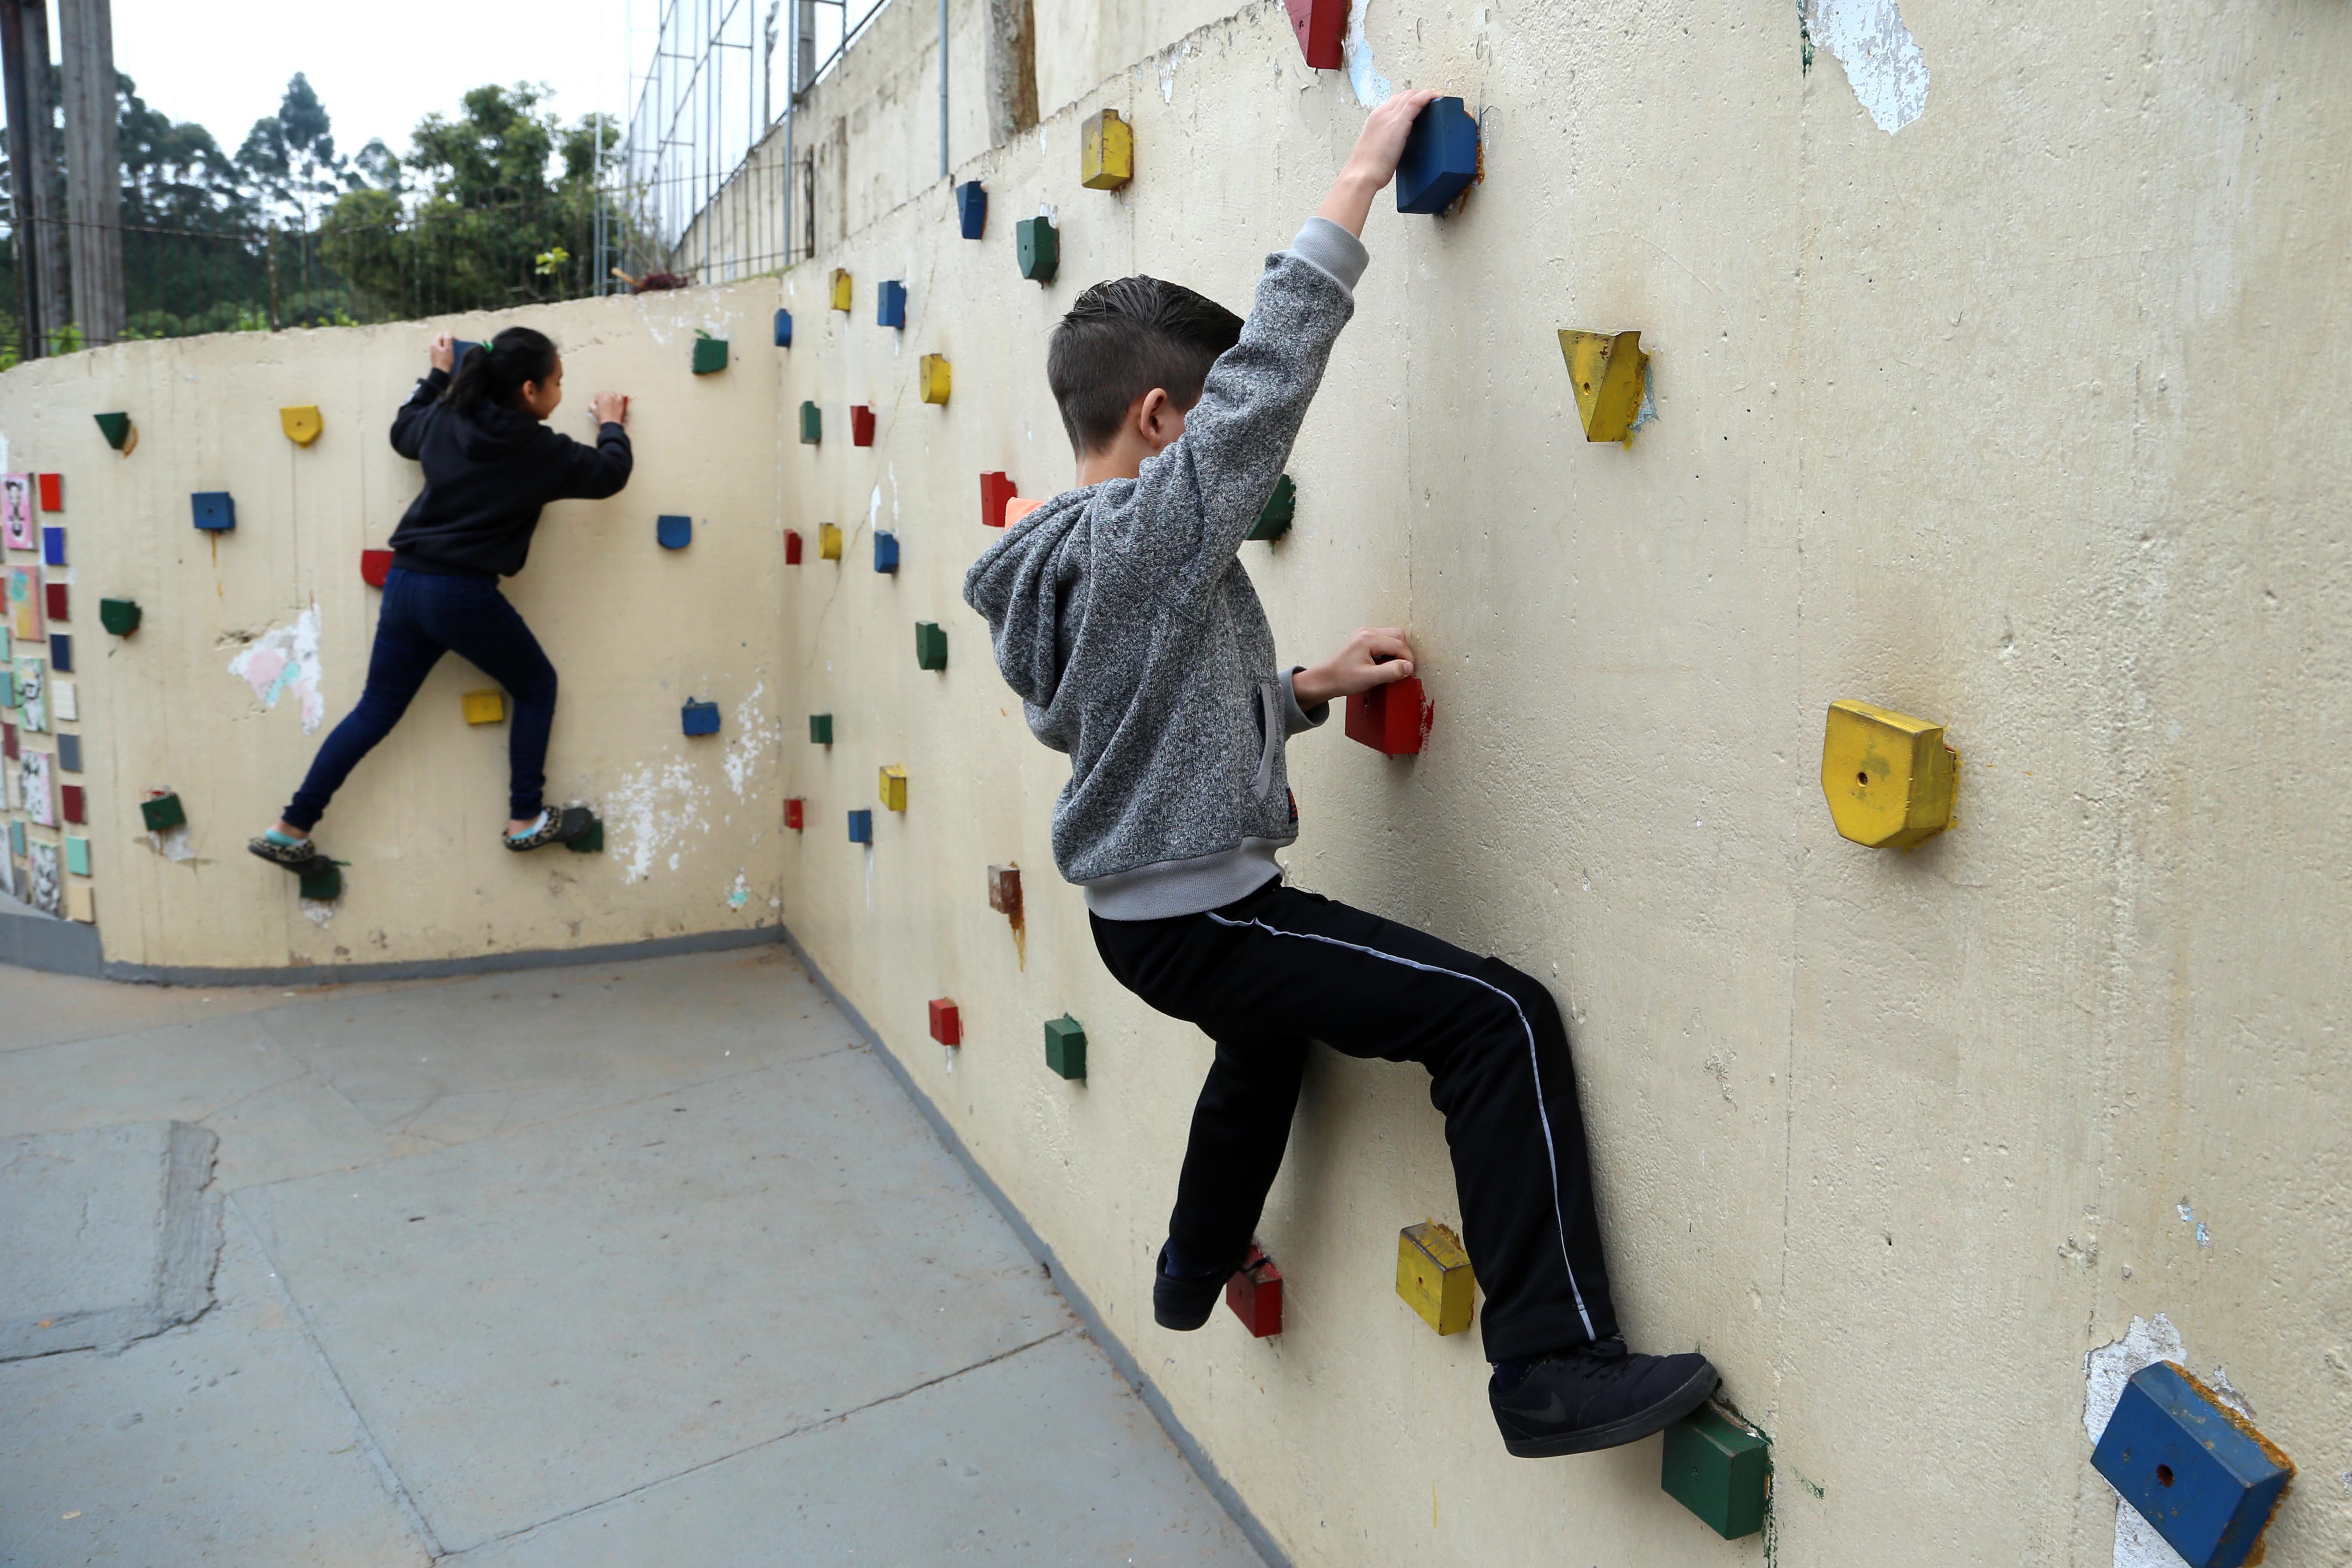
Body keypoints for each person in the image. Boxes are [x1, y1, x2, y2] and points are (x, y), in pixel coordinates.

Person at [964, 92, 1717, 1457]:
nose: (1233, 474)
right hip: (1204, 911)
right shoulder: (1141, 539)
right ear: (1157, 420)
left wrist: (1305, 691)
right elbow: (1262, 394)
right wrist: (1361, 176)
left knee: (1265, 1045)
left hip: (1148, 916)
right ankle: (1548, 1366)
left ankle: (1194, 1262)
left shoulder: (1071, 557)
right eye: (1205, 438)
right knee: (1497, 1018)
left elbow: (1144, 721)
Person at [249, 328, 629, 873]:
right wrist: (612, 423)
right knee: (536, 686)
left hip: (406, 583)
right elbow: (611, 474)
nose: (560, 393)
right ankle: (525, 819)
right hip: (461, 593)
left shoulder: (447, 418)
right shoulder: (538, 449)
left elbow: (402, 431)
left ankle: (290, 828)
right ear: (528, 390)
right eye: (558, 382)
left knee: (375, 711)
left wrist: (436, 375)